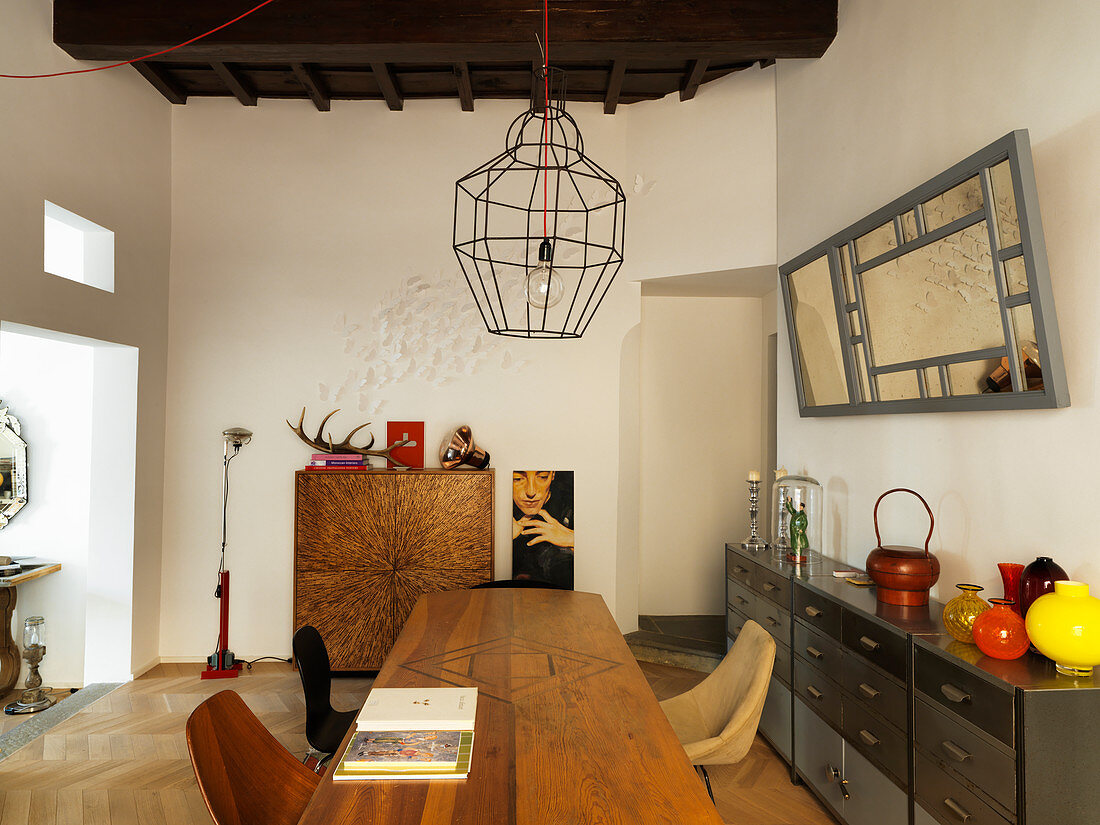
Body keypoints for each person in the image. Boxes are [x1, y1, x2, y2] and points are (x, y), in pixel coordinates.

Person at [512, 470, 574, 588]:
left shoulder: (571, 505)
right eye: (518, 479)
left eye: (542, 477)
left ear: (553, 475)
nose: (531, 491)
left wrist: (573, 539)